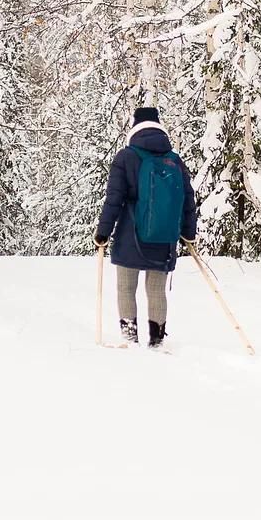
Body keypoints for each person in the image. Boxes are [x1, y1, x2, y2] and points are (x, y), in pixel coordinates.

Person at [95, 107, 198, 348]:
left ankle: (130, 337)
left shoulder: (126, 156)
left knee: (125, 287)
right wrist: (188, 232)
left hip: (131, 235)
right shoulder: (174, 159)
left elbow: (114, 198)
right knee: (156, 290)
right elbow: (187, 199)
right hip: (164, 237)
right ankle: (157, 339)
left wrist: (103, 232)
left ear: (135, 127)